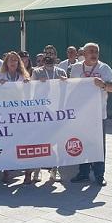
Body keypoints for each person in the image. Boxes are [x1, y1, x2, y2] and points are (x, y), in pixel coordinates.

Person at [69, 43, 112, 186]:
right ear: (84, 53)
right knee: (81, 143)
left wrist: (103, 85)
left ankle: (99, 175)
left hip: (98, 115)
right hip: (81, 114)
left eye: (96, 51)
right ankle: (83, 172)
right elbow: (71, 88)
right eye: (91, 51)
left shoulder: (104, 68)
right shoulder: (77, 67)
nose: (94, 53)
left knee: (98, 145)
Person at [30, 52, 67, 182]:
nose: (48, 60)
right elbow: (31, 90)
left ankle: (54, 169)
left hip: (57, 112)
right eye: (46, 58)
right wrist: (37, 83)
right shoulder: (37, 72)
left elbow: (66, 89)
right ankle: (37, 169)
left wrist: (65, 82)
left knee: (56, 142)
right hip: (41, 112)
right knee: (40, 141)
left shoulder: (61, 71)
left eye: (51, 56)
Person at [0, 51, 30, 184]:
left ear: (19, 62)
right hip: (6, 115)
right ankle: (6, 171)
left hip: (21, 115)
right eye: (11, 60)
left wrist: (28, 84)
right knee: (7, 143)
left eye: (16, 60)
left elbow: (31, 94)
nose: (13, 62)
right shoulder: (1, 75)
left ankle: (27, 173)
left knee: (24, 143)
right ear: (6, 63)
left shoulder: (24, 75)